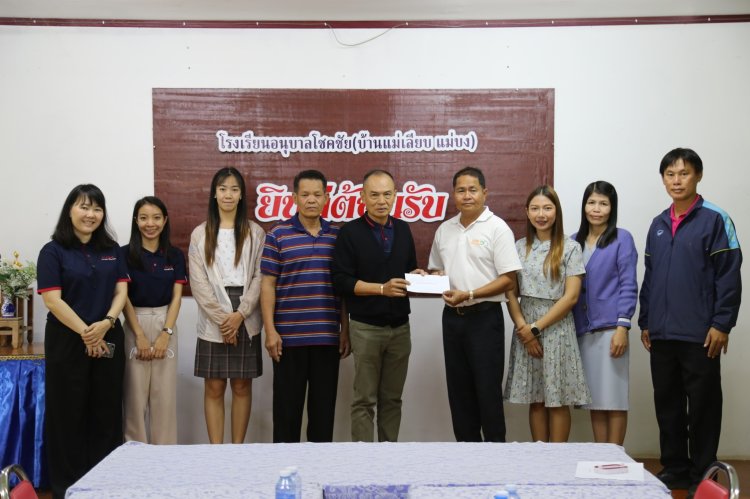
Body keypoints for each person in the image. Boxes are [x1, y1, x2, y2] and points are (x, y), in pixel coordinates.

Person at [639, 148, 742, 494]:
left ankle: (704, 472)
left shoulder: (715, 219)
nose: (676, 180)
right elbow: (650, 278)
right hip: (662, 333)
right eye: (670, 174)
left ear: (698, 175)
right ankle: (675, 468)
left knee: (703, 408)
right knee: (667, 406)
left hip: (701, 334)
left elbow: (729, 276)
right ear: (663, 179)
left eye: (683, 173)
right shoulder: (657, 224)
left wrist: (722, 324)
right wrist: (646, 321)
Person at [37, 184, 130, 498]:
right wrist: (87, 332)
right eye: (84, 207)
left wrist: (105, 323)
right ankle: (68, 487)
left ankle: (107, 485)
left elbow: (121, 292)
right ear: (70, 210)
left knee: (106, 412)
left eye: (97, 208)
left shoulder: (112, 249)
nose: (91, 214)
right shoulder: (52, 251)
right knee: (68, 413)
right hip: (67, 340)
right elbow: (53, 300)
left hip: (108, 335)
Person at [428, 166, 521, 442]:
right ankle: (467, 457)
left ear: (484, 192)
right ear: (453, 194)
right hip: (452, 319)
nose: (467, 195)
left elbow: (508, 280)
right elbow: (438, 270)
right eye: (461, 190)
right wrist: (430, 276)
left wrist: (469, 294)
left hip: (484, 319)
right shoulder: (445, 230)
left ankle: (495, 457)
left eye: (472, 190)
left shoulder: (497, 228)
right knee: (459, 394)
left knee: (487, 392)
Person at [331, 169, 424, 442]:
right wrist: (381, 289)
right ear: (362, 197)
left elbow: (407, 271)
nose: (381, 201)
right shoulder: (349, 232)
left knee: (392, 399)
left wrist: (418, 276)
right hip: (365, 328)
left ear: (395, 195)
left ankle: (388, 455)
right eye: (374, 195)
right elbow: (341, 281)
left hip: (400, 328)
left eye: (386, 194)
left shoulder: (403, 229)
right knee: (364, 400)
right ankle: (364, 459)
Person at [261, 169, 351, 443]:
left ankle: (318, 468)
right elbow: (267, 285)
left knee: (322, 417)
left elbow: (344, 289)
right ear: (294, 198)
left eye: (317, 194)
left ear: (326, 197)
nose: (311, 200)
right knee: (286, 416)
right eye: (305, 194)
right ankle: (285, 468)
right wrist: (270, 331)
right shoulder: (278, 235)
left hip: (327, 338)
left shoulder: (338, 236)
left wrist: (344, 330)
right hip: (288, 340)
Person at [504, 185, 590, 442]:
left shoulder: (570, 247)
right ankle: (539, 457)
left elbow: (571, 296)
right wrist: (524, 328)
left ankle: (558, 458)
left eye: (547, 208)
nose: (541, 214)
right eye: (535, 208)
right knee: (537, 398)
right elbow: (510, 292)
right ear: (527, 212)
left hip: (557, 328)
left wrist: (535, 328)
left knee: (557, 399)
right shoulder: (518, 247)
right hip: (525, 327)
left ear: (556, 211)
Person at [188, 167, 266, 444]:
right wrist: (224, 319)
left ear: (241, 194)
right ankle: (216, 452)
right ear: (214, 193)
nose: (228, 195)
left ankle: (237, 450)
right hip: (214, 313)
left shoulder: (255, 232)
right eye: (222, 189)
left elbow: (260, 276)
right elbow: (198, 283)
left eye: (234, 189)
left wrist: (240, 314)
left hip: (246, 310)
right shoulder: (200, 234)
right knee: (214, 385)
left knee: (242, 385)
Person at [571, 181, 638, 445]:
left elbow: (628, 284)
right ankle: (601, 455)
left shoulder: (622, 238)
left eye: (603, 203)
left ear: (612, 208)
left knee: (614, 398)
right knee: (595, 400)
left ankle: (616, 456)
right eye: (591, 202)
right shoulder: (572, 242)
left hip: (611, 329)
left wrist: (623, 327)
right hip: (581, 330)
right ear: (584, 206)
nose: (596, 209)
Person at [121, 196, 187, 444]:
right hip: (134, 322)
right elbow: (123, 297)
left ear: (165, 220)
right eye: (144, 218)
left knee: (164, 397)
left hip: (164, 321)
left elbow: (177, 297)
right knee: (134, 397)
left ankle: (164, 454)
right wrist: (138, 334)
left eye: (156, 217)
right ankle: (134, 451)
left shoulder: (174, 255)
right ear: (136, 221)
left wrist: (165, 333)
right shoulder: (124, 254)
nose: (150, 223)